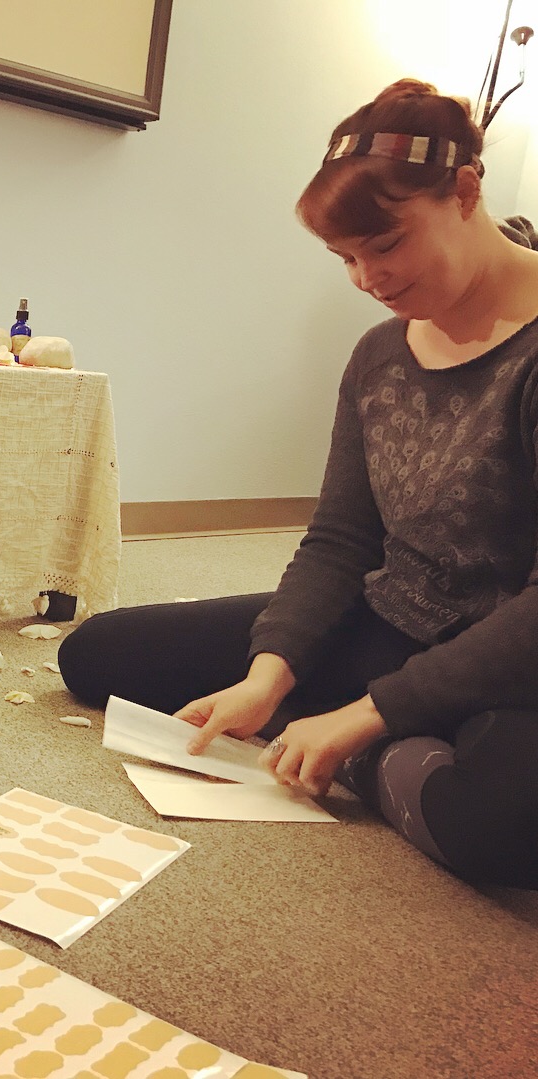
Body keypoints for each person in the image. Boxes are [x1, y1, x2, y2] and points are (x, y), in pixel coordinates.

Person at [59, 79, 538, 889]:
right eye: (345, 258)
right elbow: (343, 539)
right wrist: (267, 676)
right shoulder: (379, 354)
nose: (367, 278)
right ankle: (342, 721)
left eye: (385, 245)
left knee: (505, 822)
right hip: (390, 620)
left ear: (464, 193)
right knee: (97, 655)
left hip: (506, 654)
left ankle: (357, 741)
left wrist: (365, 718)